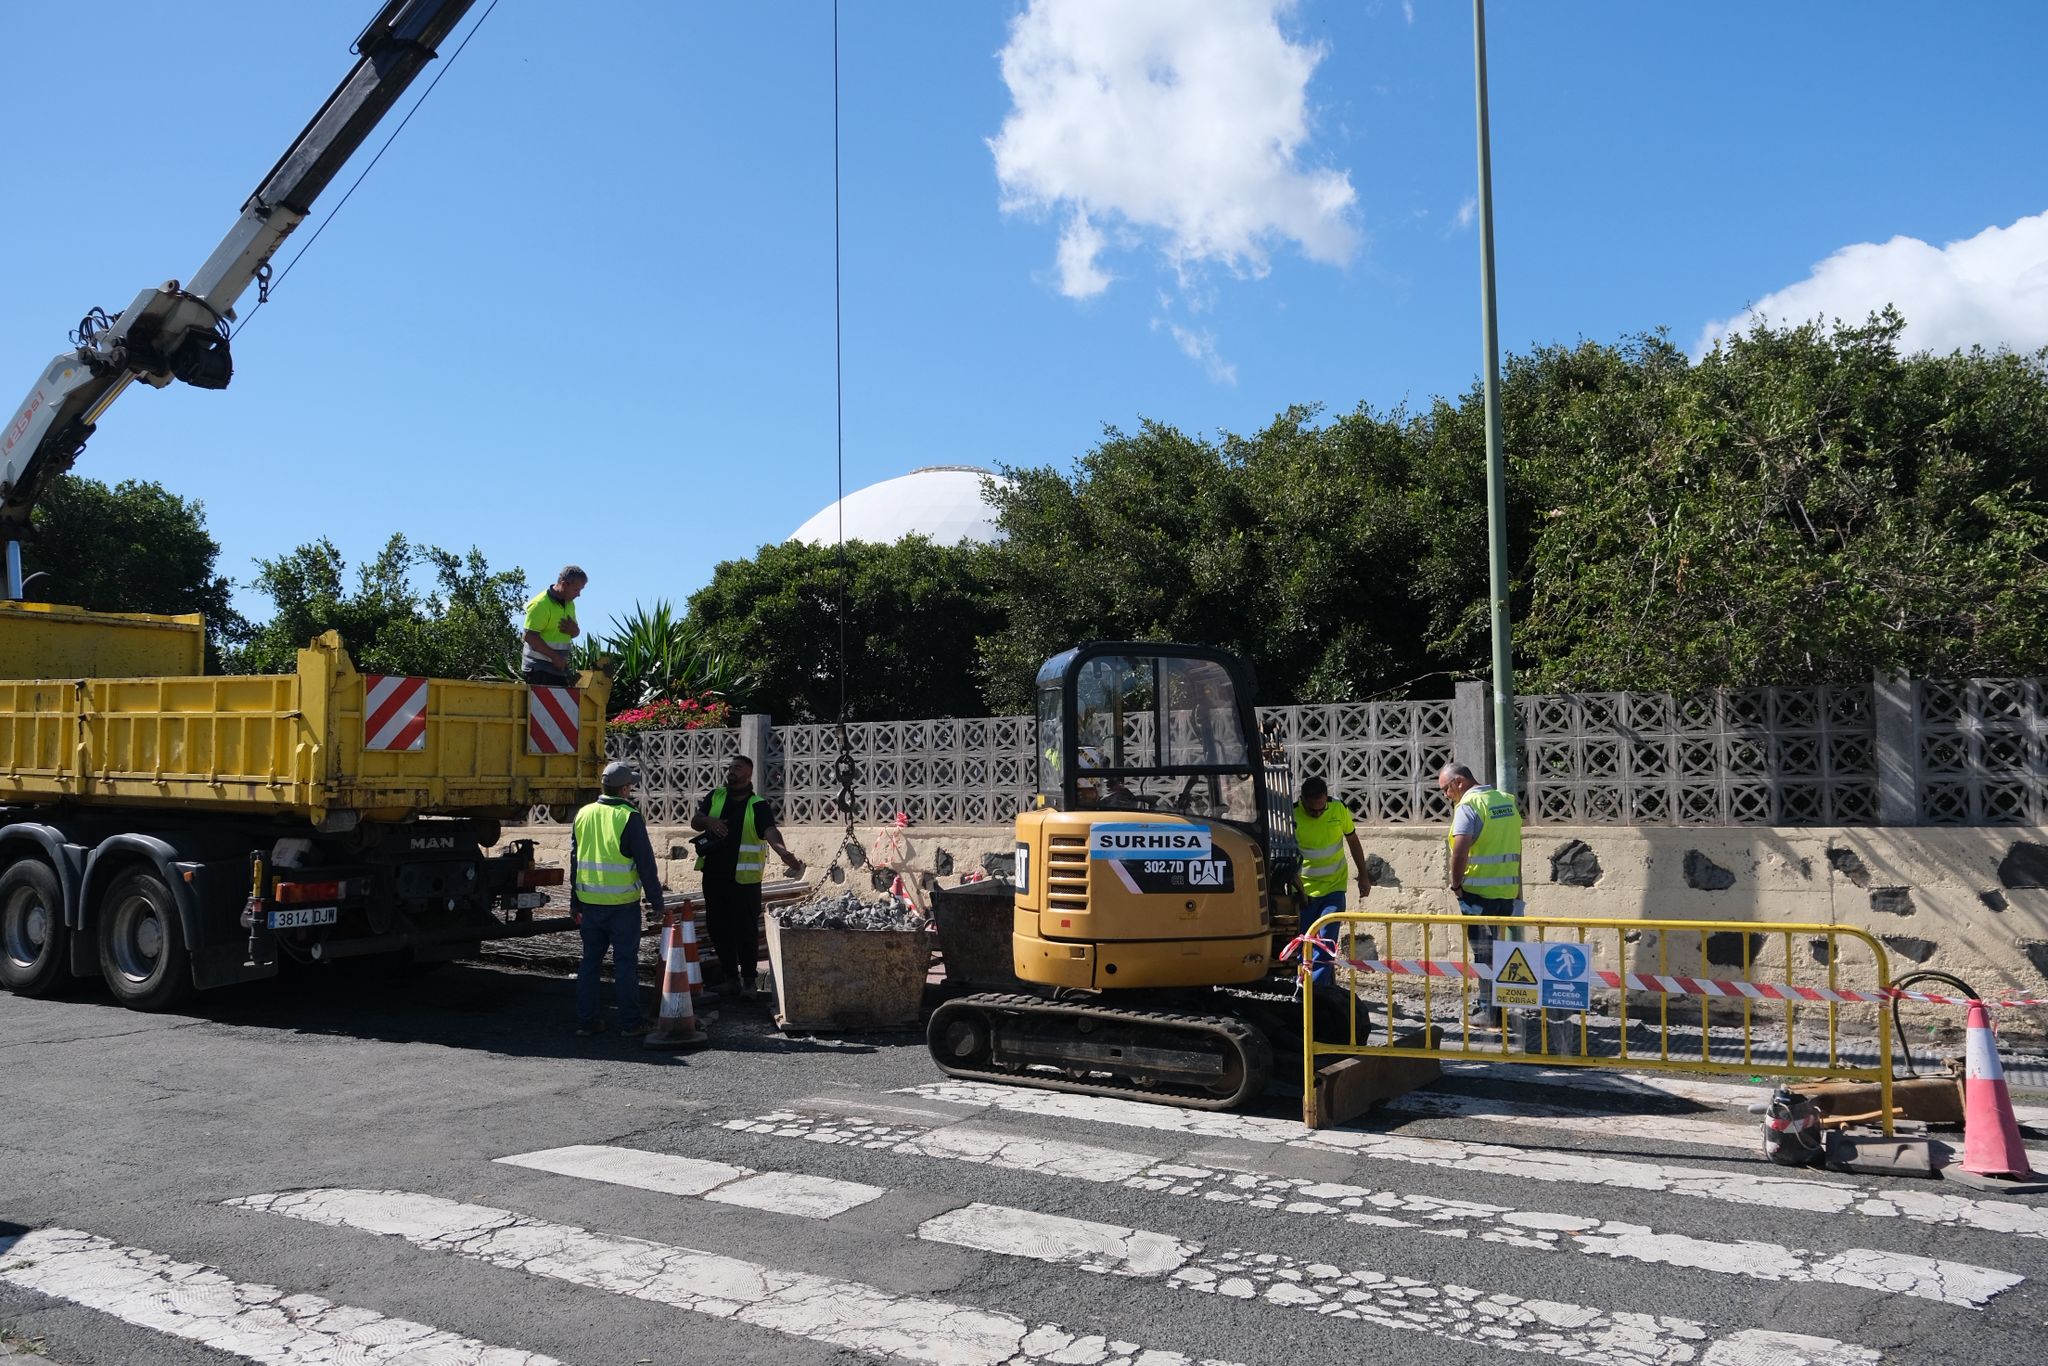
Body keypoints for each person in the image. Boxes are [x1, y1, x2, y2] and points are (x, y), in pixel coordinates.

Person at [691, 755, 805, 995]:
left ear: (748, 774)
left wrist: (783, 851)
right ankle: (731, 978)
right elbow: (696, 821)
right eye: (730, 766)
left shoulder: (757, 805)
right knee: (718, 927)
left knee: (745, 931)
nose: (732, 770)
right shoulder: (716, 796)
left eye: (738, 768)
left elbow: (770, 831)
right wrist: (708, 820)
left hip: (744, 882)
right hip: (714, 876)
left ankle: (750, 981)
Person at [570, 759, 664, 1037]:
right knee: (624, 964)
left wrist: (575, 903)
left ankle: (586, 1024)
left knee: (590, 964)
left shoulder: (583, 813)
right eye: (630, 786)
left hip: (589, 903)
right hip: (622, 906)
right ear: (624, 789)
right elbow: (645, 863)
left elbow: (575, 859)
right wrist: (656, 901)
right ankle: (630, 1024)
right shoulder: (629, 816)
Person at [1438, 762, 1524, 1023]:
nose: (1445, 796)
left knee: (1484, 954)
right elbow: (1516, 847)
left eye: (1445, 789)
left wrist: (1456, 885)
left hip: (1477, 895)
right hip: (1506, 892)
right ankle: (1497, 1007)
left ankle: (1489, 1011)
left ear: (1459, 782)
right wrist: (1518, 891)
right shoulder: (1506, 801)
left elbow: (1460, 852)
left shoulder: (1469, 806)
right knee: (1499, 951)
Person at [1293, 776, 1371, 1002]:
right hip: (1304, 891)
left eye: (1321, 808)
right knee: (1305, 943)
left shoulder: (1338, 809)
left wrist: (1363, 876)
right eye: (1312, 810)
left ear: (1326, 799)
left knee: (1326, 943)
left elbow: (1353, 841)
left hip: (1334, 889)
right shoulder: (1292, 815)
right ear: (1303, 800)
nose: (1317, 813)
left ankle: (1315, 994)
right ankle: (1305, 987)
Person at [521, 566, 586, 686]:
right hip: (538, 669)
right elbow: (529, 636)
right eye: (576, 590)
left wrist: (575, 631)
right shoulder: (540, 604)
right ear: (564, 584)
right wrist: (555, 657)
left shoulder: (570, 604)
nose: (579, 595)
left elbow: (574, 632)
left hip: (558, 669)